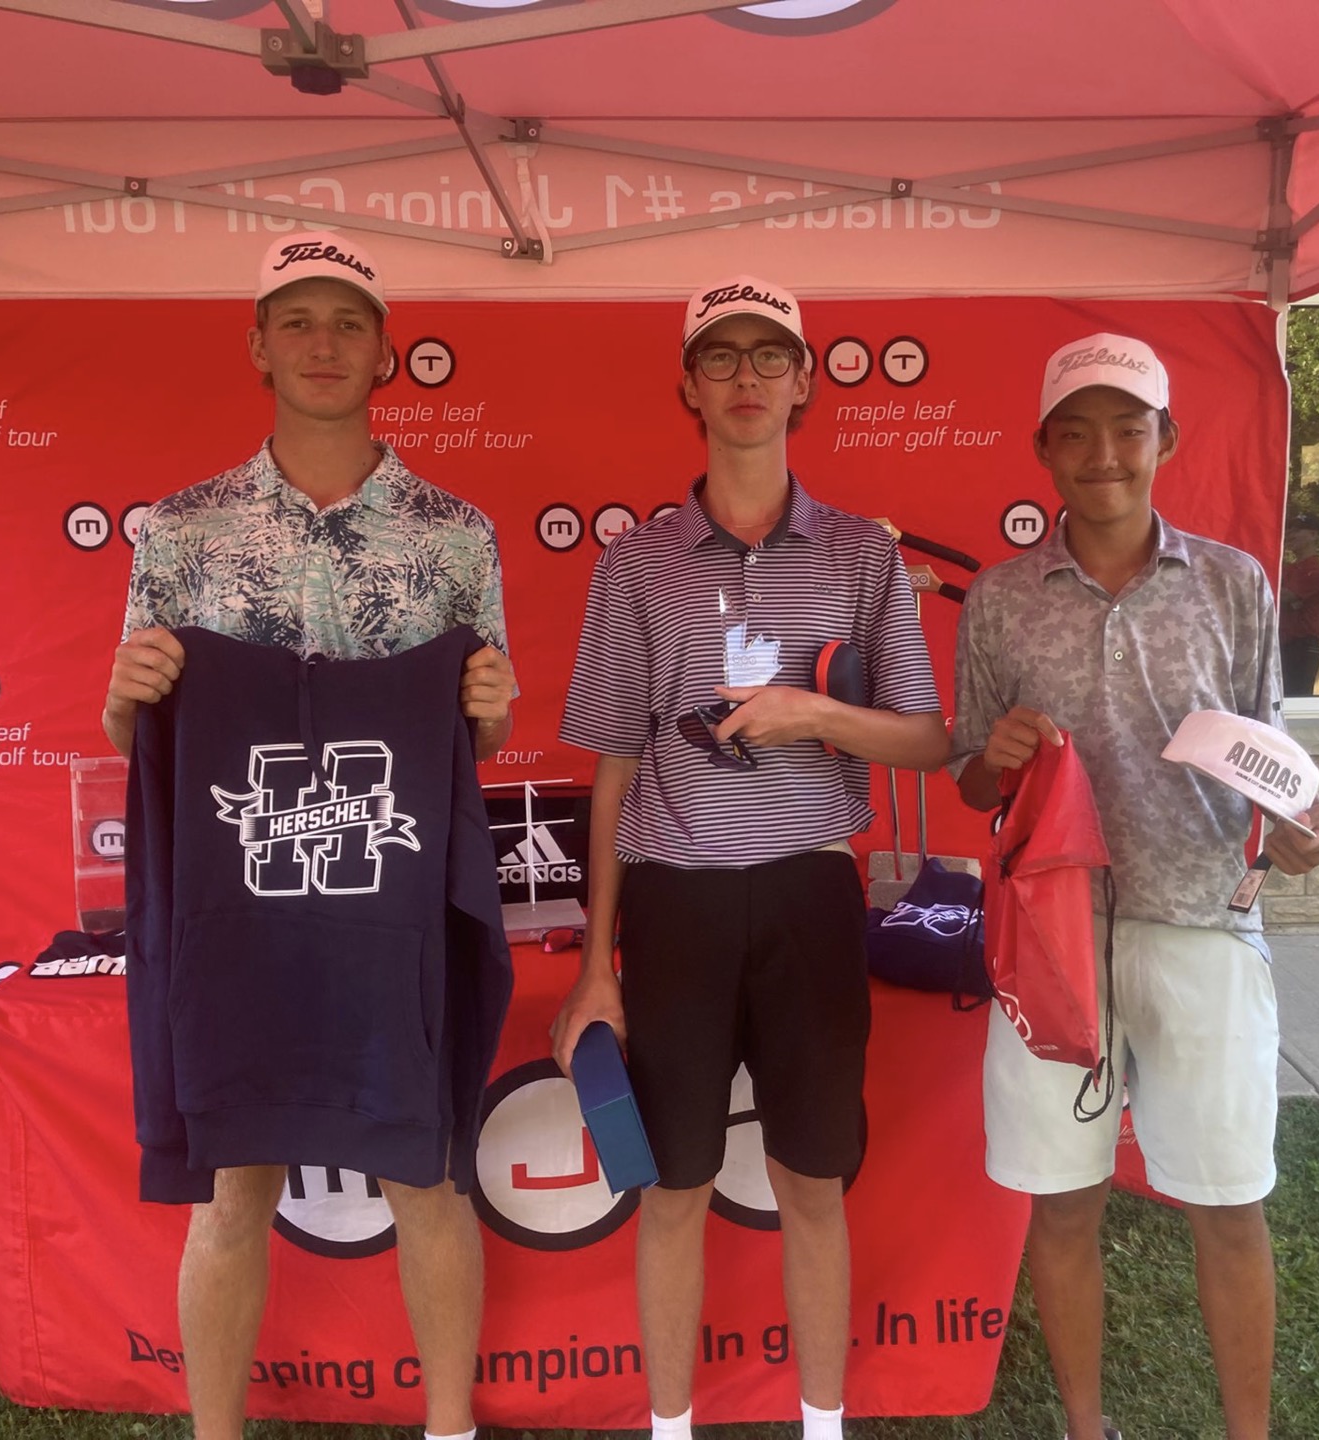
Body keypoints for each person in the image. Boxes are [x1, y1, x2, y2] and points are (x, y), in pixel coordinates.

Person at [101, 230, 514, 1440]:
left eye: (347, 324)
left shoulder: (455, 534)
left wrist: (491, 710)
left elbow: (472, 745)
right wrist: (125, 694)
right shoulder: (179, 532)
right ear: (258, 347)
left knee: (426, 1174)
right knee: (234, 1189)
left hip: (390, 912)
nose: (323, 345)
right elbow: (140, 736)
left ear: (387, 352)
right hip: (241, 918)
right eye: (297, 322)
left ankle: (451, 1427)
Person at [551, 275, 948, 1440]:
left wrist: (811, 716)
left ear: (804, 381)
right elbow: (613, 769)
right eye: (719, 357)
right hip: (675, 903)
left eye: (769, 356)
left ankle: (823, 1424)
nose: (744, 378)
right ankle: (670, 1427)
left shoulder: (863, 555)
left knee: (812, 1183)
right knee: (672, 1188)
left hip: (809, 893)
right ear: (688, 385)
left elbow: (929, 741)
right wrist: (596, 966)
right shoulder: (637, 562)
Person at [950, 333, 1319, 1440]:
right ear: (1043, 448)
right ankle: (1088, 1428)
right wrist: (996, 759)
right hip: (1052, 937)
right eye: (1077, 432)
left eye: (1128, 429)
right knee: (1063, 1204)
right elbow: (972, 774)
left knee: (1229, 1203)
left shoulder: (1233, 582)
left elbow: (1271, 759)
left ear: (1166, 439)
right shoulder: (1002, 598)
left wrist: (1301, 831)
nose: (1104, 454)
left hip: (1202, 925)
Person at [1278, 513, 1319, 697]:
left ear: (1314, 535)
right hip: (1283, 643)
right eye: (1289, 530)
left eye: (1298, 530)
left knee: (1296, 698)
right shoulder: (1288, 569)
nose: (1291, 534)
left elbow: (1284, 596)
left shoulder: (1315, 570)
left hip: (1303, 646)